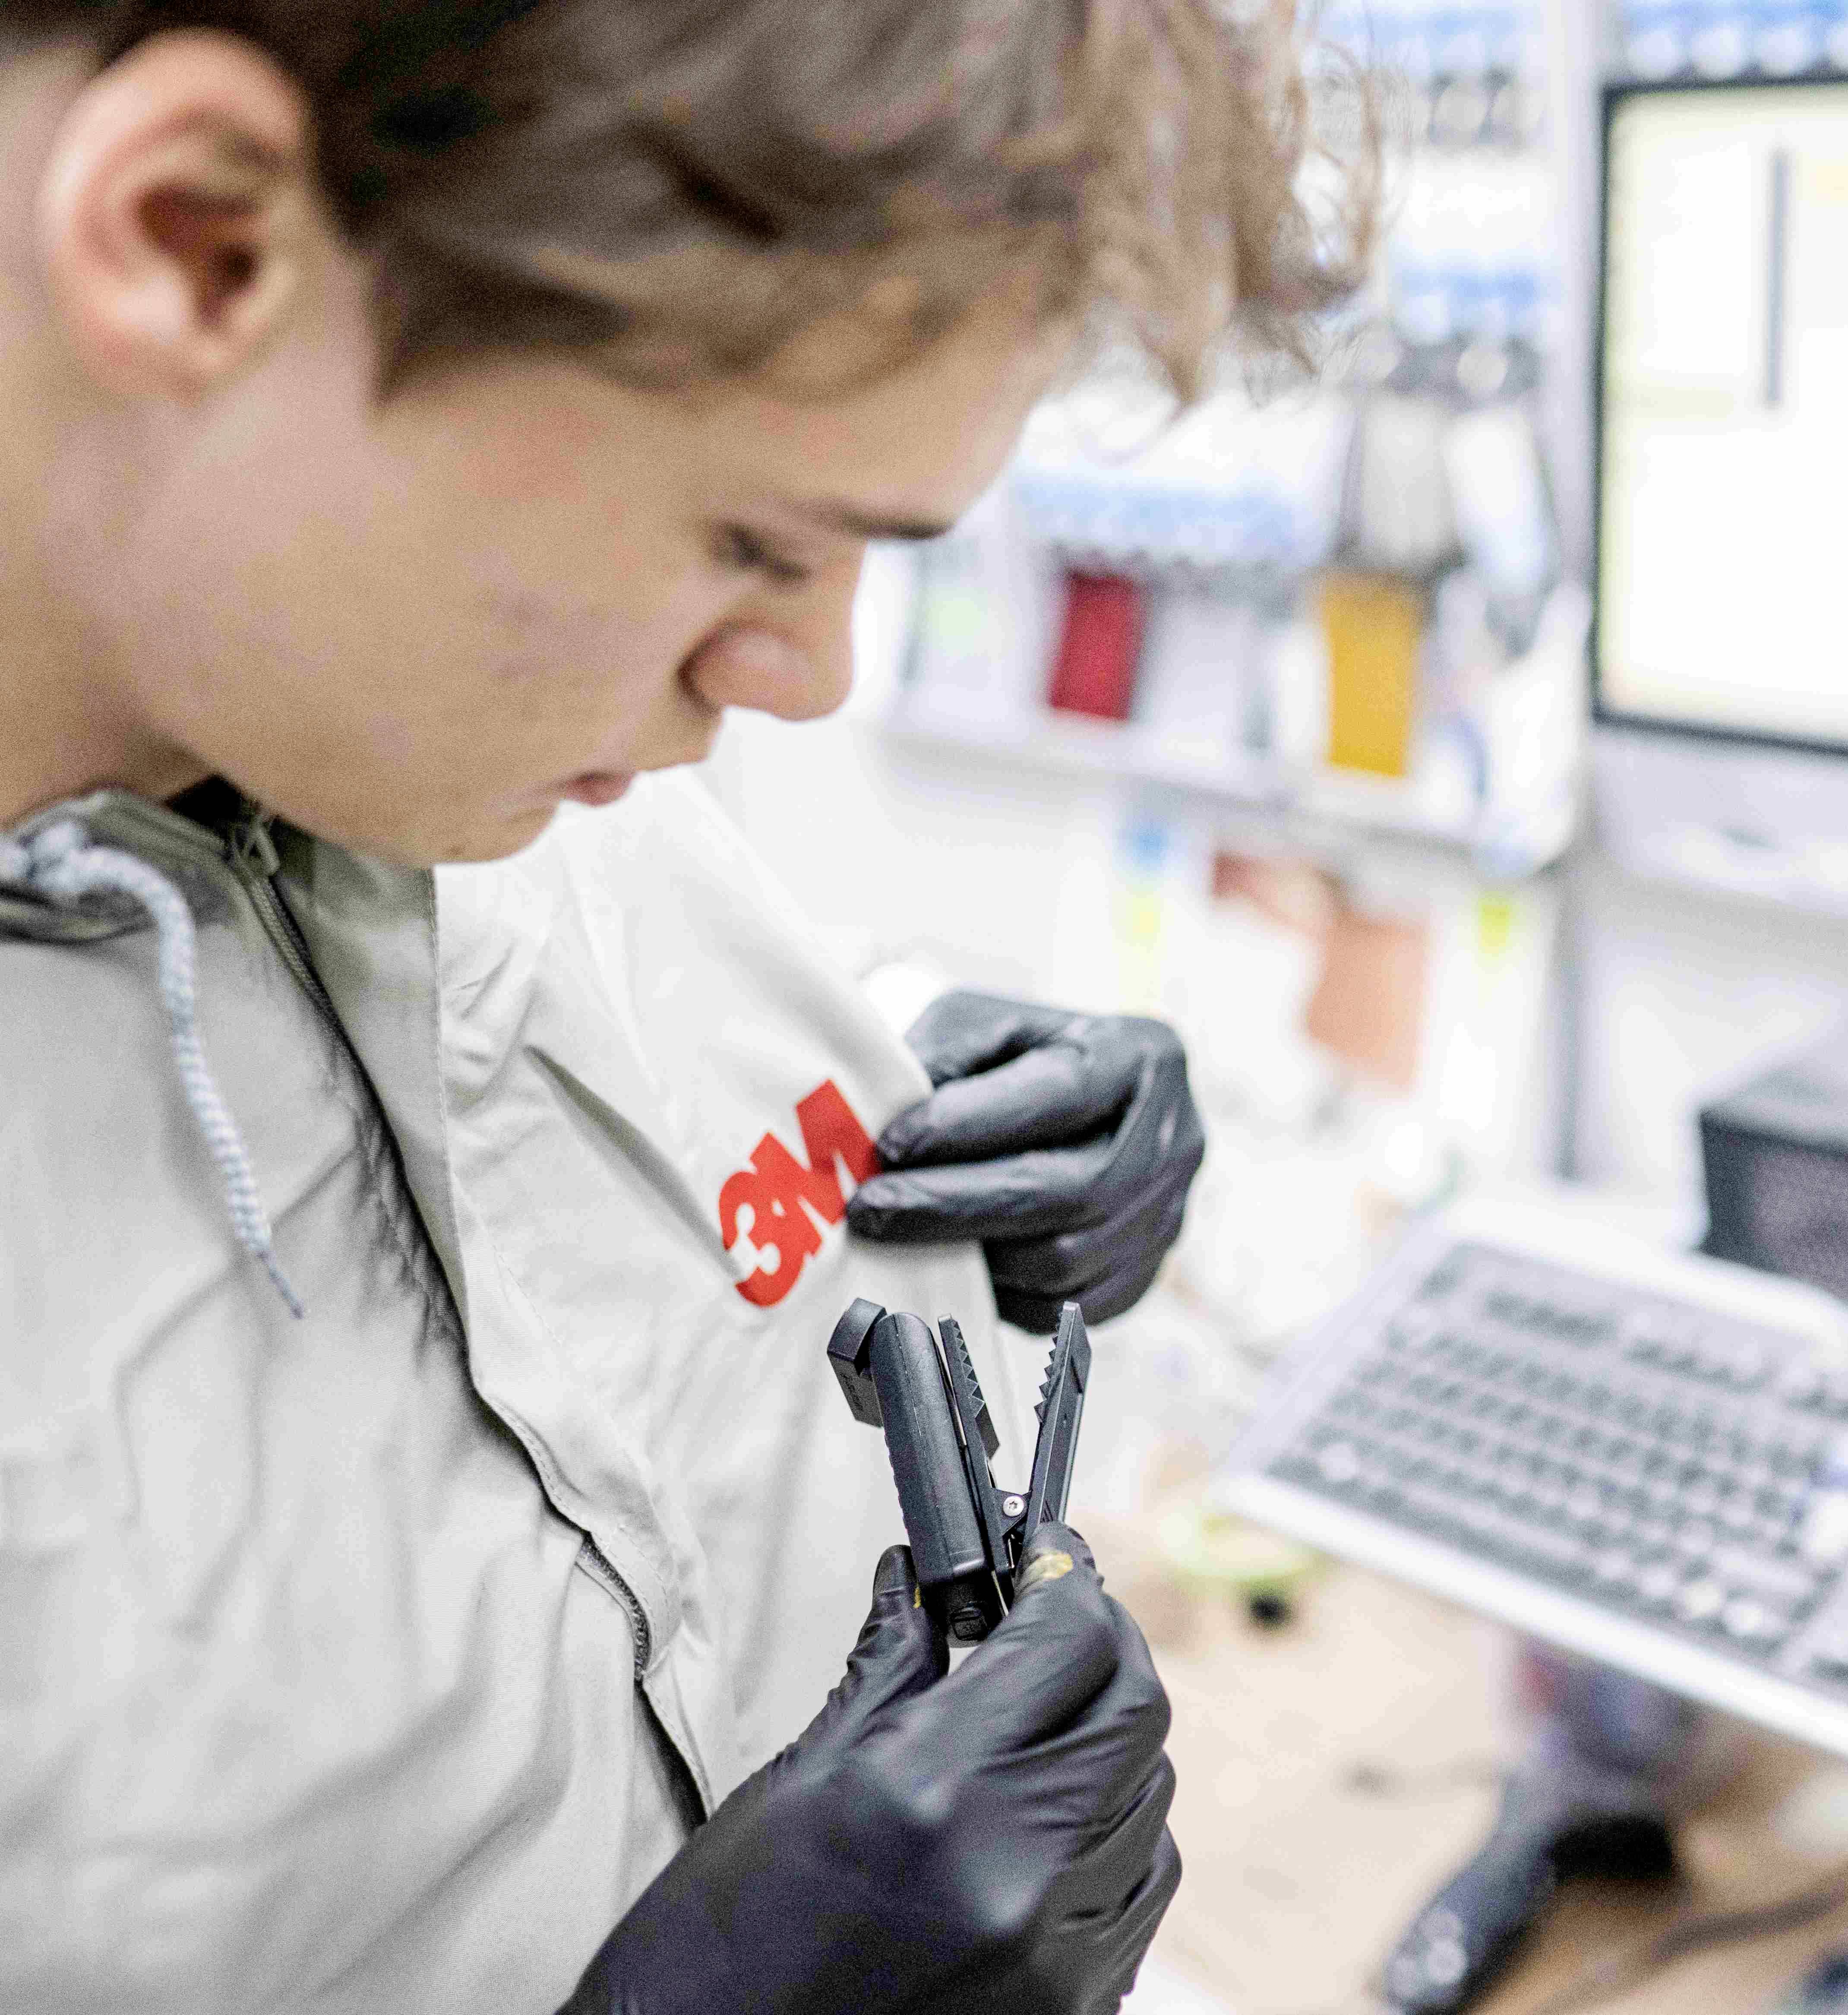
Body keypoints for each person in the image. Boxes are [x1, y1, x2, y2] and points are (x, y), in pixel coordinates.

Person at [0, 3, 1355, 2009]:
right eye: (752, 542)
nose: (806, 680)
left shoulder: (428, 710)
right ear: (200, 246)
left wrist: (924, 1081)